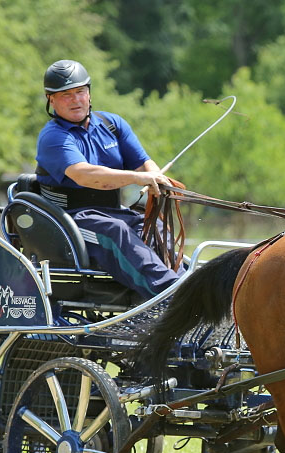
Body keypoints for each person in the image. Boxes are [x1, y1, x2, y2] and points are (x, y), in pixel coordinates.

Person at [35, 59, 182, 299]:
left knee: (154, 227)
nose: (75, 100)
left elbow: (145, 163)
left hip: (112, 211)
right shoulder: (53, 137)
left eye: (80, 92)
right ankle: (172, 294)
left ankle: (186, 280)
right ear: (51, 100)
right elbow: (86, 176)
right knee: (116, 231)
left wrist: (156, 179)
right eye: (66, 95)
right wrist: (138, 178)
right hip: (71, 221)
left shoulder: (112, 125)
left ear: (89, 93)